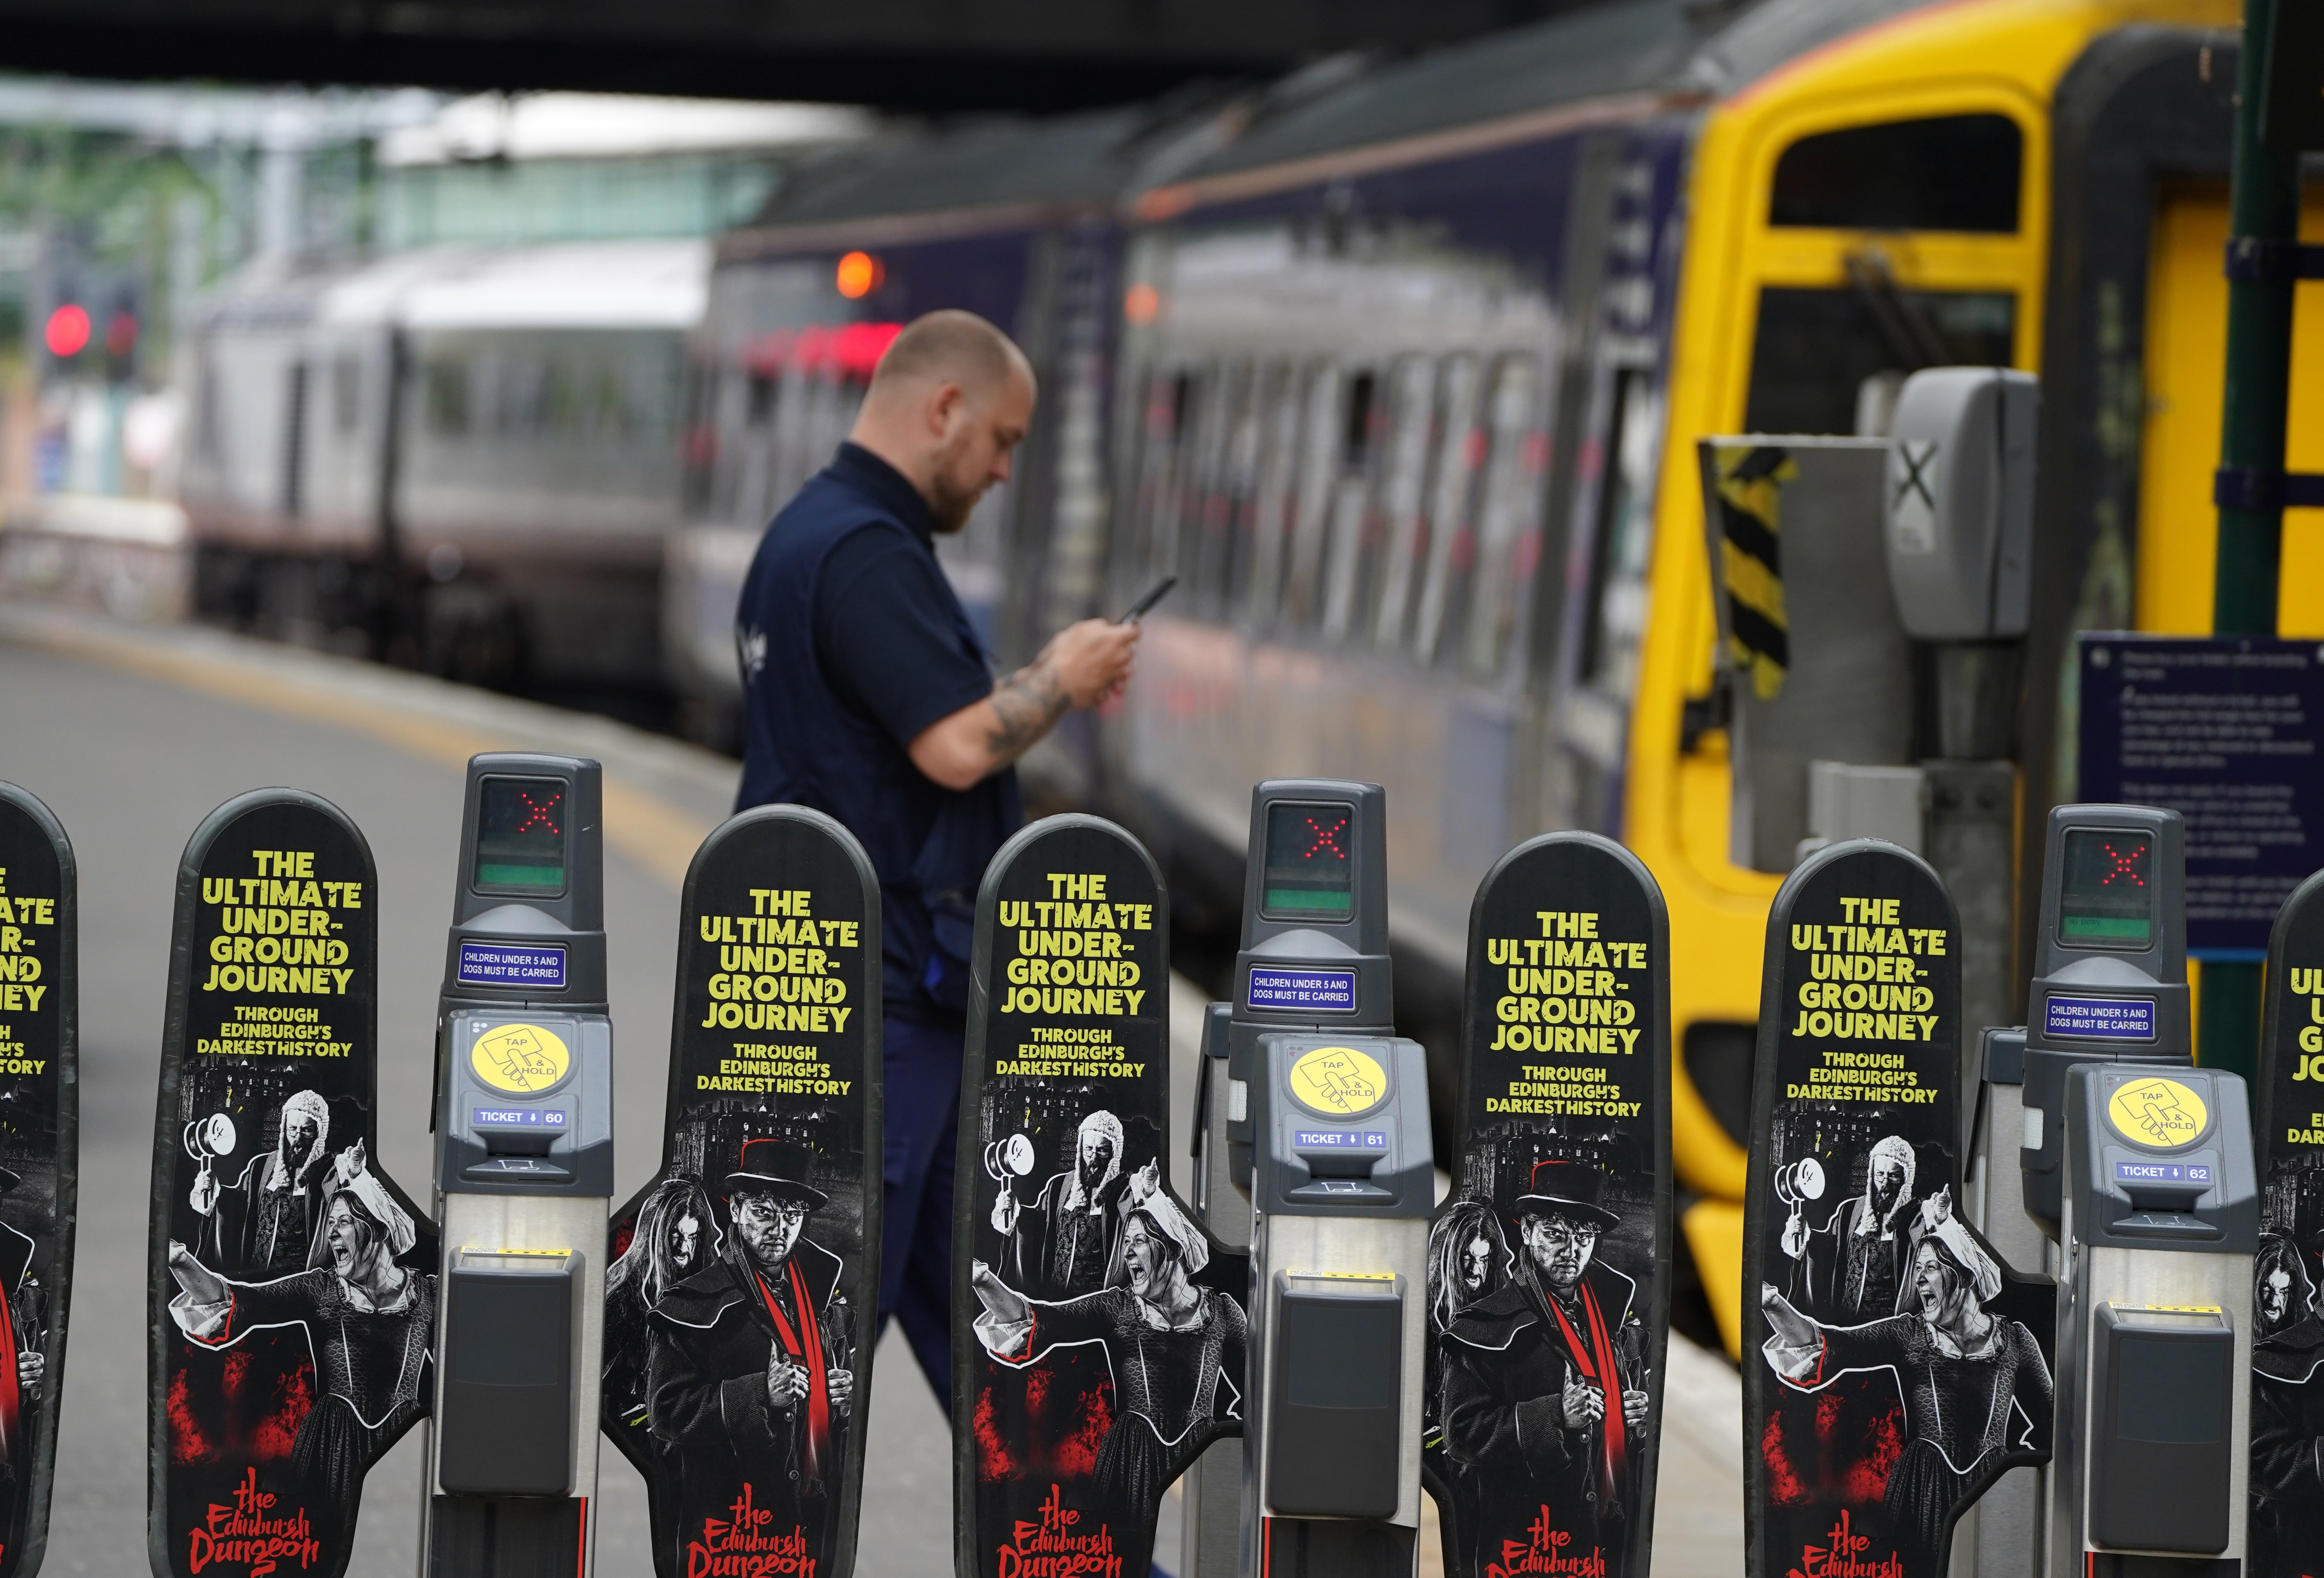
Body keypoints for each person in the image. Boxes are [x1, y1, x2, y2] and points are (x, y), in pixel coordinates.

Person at [732, 309, 1138, 1404]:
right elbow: (955, 744)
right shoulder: (865, 552)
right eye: (1003, 439)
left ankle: (1084, 1544)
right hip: (885, 1007)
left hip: (865, 991)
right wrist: (1061, 675)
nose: (1005, 469)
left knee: (989, 1336)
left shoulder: (810, 537)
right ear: (943, 408)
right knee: (816, 1347)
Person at [1759, 1196, 2050, 1576]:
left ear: (1963, 1274)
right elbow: (1834, 1345)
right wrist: (1774, 1305)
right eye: (1917, 1268)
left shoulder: (2015, 1341)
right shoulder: (1910, 1333)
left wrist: (2016, 1480)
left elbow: (2055, 1426)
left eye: (1930, 1267)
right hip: (1921, 1491)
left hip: (1992, 1491)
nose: (1919, 1279)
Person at [164, 1169, 433, 1554]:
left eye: (344, 1222)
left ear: (378, 1228)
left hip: (404, 1443)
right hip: (332, 1444)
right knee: (322, 1553)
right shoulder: (321, 1288)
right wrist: (182, 1263)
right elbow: (241, 1300)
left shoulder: (428, 1294)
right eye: (331, 1224)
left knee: (404, 1546)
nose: (332, 1234)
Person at [969, 1189, 1244, 1519]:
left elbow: (1257, 1394)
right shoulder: (1118, 1307)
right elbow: (1041, 1320)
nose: (1127, 1253)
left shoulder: (1224, 1312)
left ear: (1172, 1246)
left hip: (1202, 1456)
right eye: (1125, 1242)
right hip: (1130, 1461)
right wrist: (985, 1281)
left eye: (1138, 1241)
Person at [647, 1141, 855, 1569]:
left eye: (793, 1214)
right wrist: (760, 1393)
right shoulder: (690, 1302)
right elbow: (665, 1412)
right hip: (729, 1529)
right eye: (764, 1211)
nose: (780, 1227)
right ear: (737, 1209)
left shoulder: (823, 1298)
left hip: (810, 1522)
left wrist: (845, 1399)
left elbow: (839, 1395)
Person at [1439, 1161, 1650, 1568]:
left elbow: (1629, 1420)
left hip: (1608, 1534)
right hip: (1529, 1543)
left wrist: (1636, 1420)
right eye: (1555, 1234)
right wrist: (1556, 1414)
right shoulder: (1484, 1325)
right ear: (1527, 1231)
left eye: (1584, 1236)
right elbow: (1461, 1434)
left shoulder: (1614, 1318)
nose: (1571, 1251)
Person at [1426, 1199, 1513, 1573]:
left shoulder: (1496, 1311)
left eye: (1485, 1259)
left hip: (1483, 1454)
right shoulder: (1427, 1317)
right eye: (1468, 1259)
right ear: (1449, 1258)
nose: (1476, 1270)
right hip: (1438, 1457)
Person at [191, 1091, 365, 1275]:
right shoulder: (262, 1166)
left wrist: (354, 1172)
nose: (298, 1138)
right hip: (256, 1275)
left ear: (319, 1133)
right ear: (284, 1129)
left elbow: (349, 1204)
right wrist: (214, 1190)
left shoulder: (330, 1170)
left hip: (300, 1281)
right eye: (292, 1129)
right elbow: (239, 1206)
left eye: (306, 1130)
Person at [605, 1176, 721, 1429]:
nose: (683, 1247)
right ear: (656, 1235)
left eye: (693, 1236)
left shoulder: (705, 1289)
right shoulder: (624, 1296)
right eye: (676, 1234)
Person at [1779, 1134, 1923, 1320]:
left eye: (1894, 1176)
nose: (1885, 1184)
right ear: (1872, 1174)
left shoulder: (1917, 1216)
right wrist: (1804, 1234)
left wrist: (1941, 1222)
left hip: (1889, 1328)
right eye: (1880, 1174)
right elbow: (1829, 1251)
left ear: (1906, 1178)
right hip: (1846, 1321)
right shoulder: (1850, 1210)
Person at [994, 1110, 1129, 1298]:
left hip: (1097, 1302)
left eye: (1102, 1150)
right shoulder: (1060, 1186)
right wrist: (1016, 1210)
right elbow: (1040, 1226)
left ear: (1114, 1153)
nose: (1094, 1158)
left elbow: (1138, 1226)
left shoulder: (1125, 1191)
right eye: (1089, 1149)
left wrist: (1148, 1193)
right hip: (1055, 1295)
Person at [2252, 1234, 2324, 1577]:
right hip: (2299, 1549)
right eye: (2268, 1290)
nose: (2273, 1302)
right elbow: (2265, 1465)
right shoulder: (2276, 1361)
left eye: (2282, 1292)